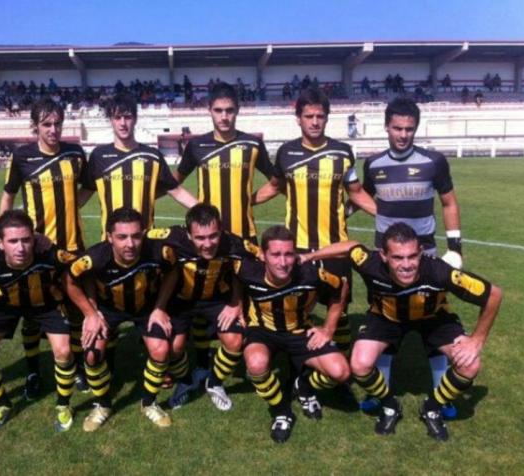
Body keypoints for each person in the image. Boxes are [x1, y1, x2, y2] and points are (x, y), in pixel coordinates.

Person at [302, 223, 502, 441]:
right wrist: (307, 258)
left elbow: (493, 295)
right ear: (384, 256)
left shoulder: (440, 272)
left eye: (412, 256)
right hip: (386, 318)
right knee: (359, 364)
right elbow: (351, 247)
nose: (407, 265)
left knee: (470, 364)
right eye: (398, 257)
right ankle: (389, 404)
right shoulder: (370, 263)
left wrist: (477, 340)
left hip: (433, 319)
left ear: (420, 253)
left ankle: (432, 407)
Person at [254, 89, 376, 359]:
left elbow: (355, 192)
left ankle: (340, 362)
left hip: (337, 247)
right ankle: (302, 366)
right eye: (308, 116)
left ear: (327, 118)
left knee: (339, 308)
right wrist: (246, 201)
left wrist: (386, 214)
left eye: (320, 116)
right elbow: (274, 187)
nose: (315, 121)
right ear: (298, 118)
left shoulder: (343, 153)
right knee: (296, 308)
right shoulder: (286, 152)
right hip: (296, 248)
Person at [361, 97, 464, 417]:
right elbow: (362, 196)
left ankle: (441, 395)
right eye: (397, 128)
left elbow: (449, 203)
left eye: (409, 128)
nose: (403, 134)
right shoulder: (373, 165)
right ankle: (381, 394)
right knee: (384, 318)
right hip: (386, 260)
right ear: (386, 127)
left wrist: (455, 249)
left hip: (425, 258)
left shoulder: (434, 161)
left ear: (416, 128)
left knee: (434, 320)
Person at [0, 97, 91, 398]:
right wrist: (6, 235)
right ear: (35, 126)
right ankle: (34, 372)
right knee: (33, 314)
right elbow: (8, 197)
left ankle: (77, 367)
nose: (53, 129)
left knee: (77, 310)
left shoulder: (76, 153)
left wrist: (72, 207)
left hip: (74, 246)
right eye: (47, 124)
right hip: (35, 251)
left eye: (58, 123)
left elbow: (88, 186)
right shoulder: (22, 157)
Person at [0, 210, 78, 432]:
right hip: (4, 306)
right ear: (0, 243)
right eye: (13, 241)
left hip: (45, 304)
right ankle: (2, 405)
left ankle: (63, 405)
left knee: (63, 351)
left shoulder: (49, 253)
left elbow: (79, 265)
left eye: (26, 240)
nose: (20, 248)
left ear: (35, 238)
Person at [64, 208, 177, 430]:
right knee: (92, 354)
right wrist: (91, 313)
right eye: (122, 237)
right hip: (108, 309)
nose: (130, 244)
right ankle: (103, 405)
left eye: (136, 236)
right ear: (109, 237)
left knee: (161, 350)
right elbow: (70, 280)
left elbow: (173, 272)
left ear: (143, 233)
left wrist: (160, 308)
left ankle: (149, 403)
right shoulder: (94, 258)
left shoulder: (160, 252)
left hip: (145, 308)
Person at [236, 226, 350, 443]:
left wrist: (328, 328)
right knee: (256, 364)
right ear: (263, 255)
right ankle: (281, 411)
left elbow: (341, 288)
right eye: (276, 254)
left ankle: (303, 386)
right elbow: (234, 280)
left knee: (341, 372)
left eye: (289, 254)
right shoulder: (249, 271)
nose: (283, 262)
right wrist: (236, 305)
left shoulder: (310, 274)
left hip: (299, 332)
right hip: (262, 331)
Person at [148, 204, 255, 411]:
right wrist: (158, 307)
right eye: (200, 238)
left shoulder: (233, 243)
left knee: (235, 341)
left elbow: (254, 261)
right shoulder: (172, 237)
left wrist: (236, 302)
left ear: (221, 229)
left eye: (213, 236)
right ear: (188, 234)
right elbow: (136, 238)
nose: (208, 244)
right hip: (180, 300)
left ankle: (214, 383)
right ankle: (186, 380)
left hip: (216, 300)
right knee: (174, 347)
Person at [174, 82, 276, 243]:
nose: (224, 117)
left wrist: (248, 200)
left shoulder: (253, 144)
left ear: (237, 111)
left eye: (229, 110)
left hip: (244, 234)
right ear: (209, 110)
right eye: (218, 110)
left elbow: (276, 183)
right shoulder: (196, 145)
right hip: (207, 236)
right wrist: (198, 206)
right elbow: (174, 184)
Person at [87, 93, 197, 237]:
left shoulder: (152, 156)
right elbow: (83, 193)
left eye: (127, 117)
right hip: (110, 244)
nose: (123, 123)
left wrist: (205, 211)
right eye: (117, 117)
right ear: (111, 120)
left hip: (146, 240)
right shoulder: (98, 156)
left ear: (135, 119)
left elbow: (175, 190)